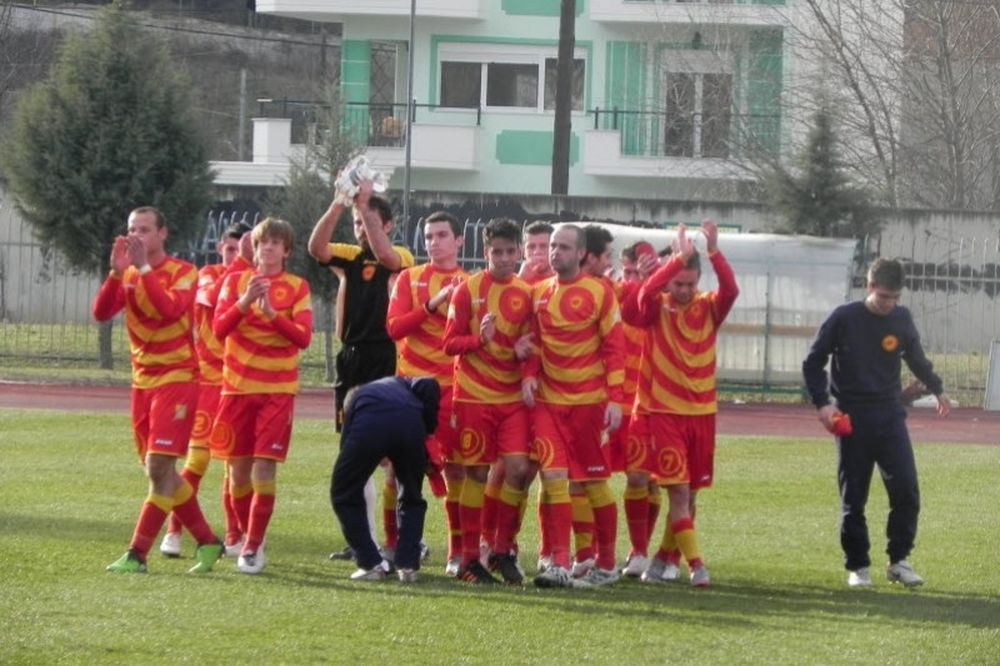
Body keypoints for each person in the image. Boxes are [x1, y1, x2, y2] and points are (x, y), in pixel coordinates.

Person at [802, 257, 950, 588]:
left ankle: (898, 560)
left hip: (890, 416)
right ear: (869, 286)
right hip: (851, 417)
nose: (889, 304)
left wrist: (938, 389)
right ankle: (858, 566)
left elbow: (915, 357)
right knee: (854, 497)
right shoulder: (844, 318)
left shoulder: (901, 318)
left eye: (895, 297)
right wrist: (823, 404)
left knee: (907, 490)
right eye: (883, 296)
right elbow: (813, 362)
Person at [93, 206, 223, 574]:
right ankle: (209, 541)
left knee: (158, 467)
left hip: (177, 379)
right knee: (162, 474)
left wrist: (142, 269)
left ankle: (137, 554)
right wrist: (116, 274)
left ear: (162, 234)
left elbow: (168, 310)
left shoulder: (184, 273)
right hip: (142, 383)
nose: (136, 235)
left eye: (145, 229)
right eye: (132, 229)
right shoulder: (129, 273)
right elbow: (101, 313)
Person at [308, 176, 415, 561]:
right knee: (354, 453)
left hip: (385, 357)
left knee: (392, 456)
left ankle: (404, 537)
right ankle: (362, 541)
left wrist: (365, 205)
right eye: (355, 223)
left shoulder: (400, 254)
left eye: (366, 221)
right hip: (351, 358)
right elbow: (316, 247)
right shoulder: (349, 257)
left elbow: (387, 259)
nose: (359, 229)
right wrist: (340, 203)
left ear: (385, 223)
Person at [628, 221, 738, 587]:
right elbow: (646, 290)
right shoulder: (656, 306)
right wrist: (676, 258)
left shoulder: (709, 307)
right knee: (676, 489)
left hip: (703, 415)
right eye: (679, 284)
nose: (685, 291)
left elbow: (731, 288)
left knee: (689, 494)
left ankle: (663, 557)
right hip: (665, 414)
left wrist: (713, 251)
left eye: (691, 284)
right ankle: (697, 565)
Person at [523, 224, 626, 589]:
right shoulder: (538, 293)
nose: (555, 253)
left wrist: (615, 399)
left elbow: (615, 348)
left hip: (588, 405)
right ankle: (560, 563)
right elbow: (535, 343)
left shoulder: (600, 293)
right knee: (554, 480)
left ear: (580, 253)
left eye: (564, 247)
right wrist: (529, 374)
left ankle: (608, 564)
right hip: (549, 404)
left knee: (595, 484)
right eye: (552, 246)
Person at [211, 217, 313, 575]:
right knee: (237, 474)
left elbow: (302, 338)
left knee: (264, 469)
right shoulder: (235, 282)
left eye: (274, 243)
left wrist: (270, 313)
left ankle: (252, 546)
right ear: (253, 249)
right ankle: (247, 533)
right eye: (261, 243)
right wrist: (243, 303)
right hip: (236, 388)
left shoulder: (297, 288)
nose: (267, 248)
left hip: (277, 391)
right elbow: (218, 329)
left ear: (286, 250)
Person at [442, 218, 534, 584]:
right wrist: (479, 339)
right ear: (485, 253)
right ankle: (468, 560)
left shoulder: (526, 293)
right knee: (476, 473)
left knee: (518, 471)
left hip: (511, 399)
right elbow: (449, 343)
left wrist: (527, 373)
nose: (505, 258)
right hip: (474, 397)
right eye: (497, 252)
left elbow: (530, 345)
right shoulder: (467, 290)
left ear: (518, 252)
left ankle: (501, 550)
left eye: (511, 251)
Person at [160, 220, 252, 559]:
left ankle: (234, 535)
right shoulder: (210, 275)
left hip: (239, 384)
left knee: (235, 466)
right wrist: (241, 263)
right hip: (208, 384)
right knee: (197, 459)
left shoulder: (252, 281)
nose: (235, 255)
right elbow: (214, 300)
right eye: (230, 249)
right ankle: (173, 531)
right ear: (221, 249)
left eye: (242, 249)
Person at [386, 210, 467, 575]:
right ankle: (397, 546)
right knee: (398, 472)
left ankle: (457, 551)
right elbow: (393, 328)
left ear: (459, 241)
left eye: (442, 235)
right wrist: (431, 307)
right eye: (429, 235)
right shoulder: (409, 278)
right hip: (409, 390)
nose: (434, 242)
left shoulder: (471, 283)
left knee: (455, 472)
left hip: (453, 391)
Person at [481, 220, 554, 568]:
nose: (539, 253)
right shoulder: (516, 287)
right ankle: (494, 542)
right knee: (509, 469)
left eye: (545, 246)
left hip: (554, 395)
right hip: (512, 395)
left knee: (544, 473)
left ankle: (546, 551)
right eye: (533, 247)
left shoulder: (560, 287)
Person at [332, 376, 440, 583]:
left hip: (373, 424)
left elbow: (346, 452)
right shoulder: (400, 383)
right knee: (411, 496)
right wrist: (428, 430)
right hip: (411, 423)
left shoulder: (355, 400)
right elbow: (429, 384)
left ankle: (370, 563)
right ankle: (408, 566)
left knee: (342, 493)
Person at [612, 241, 662, 577]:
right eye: (626, 272)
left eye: (637, 273)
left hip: (650, 405)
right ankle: (594, 554)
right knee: (591, 478)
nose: (631, 279)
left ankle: (639, 551)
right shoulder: (614, 298)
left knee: (647, 477)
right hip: (614, 404)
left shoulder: (660, 302)